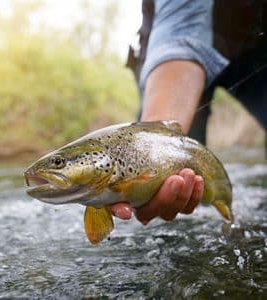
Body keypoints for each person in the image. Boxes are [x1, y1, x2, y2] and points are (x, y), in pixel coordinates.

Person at [110, 0, 267, 224]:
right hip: (173, 51)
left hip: (257, 50)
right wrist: (151, 147)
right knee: (159, 193)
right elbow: (180, 33)